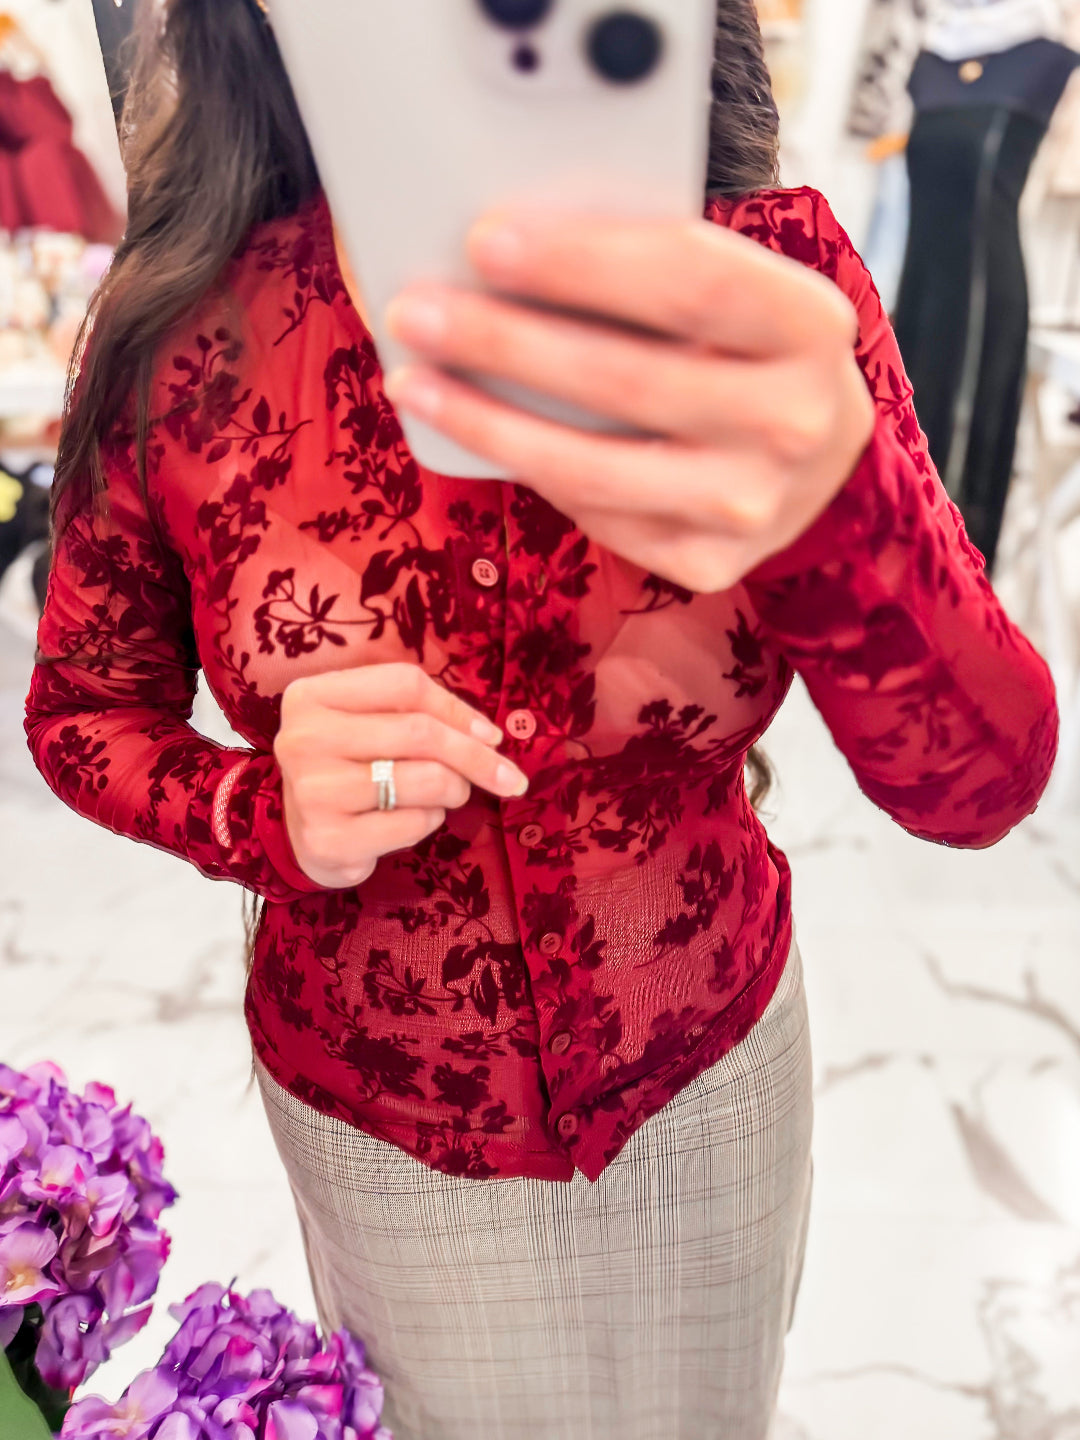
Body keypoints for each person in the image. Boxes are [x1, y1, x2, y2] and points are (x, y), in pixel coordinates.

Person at [25, 1, 1058, 1438]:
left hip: (714, 1073)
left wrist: (840, 501)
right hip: (387, 1128)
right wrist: (254, 808)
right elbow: (86, 707)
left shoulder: (770, 283)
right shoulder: (184, 334)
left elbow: (982, 784)